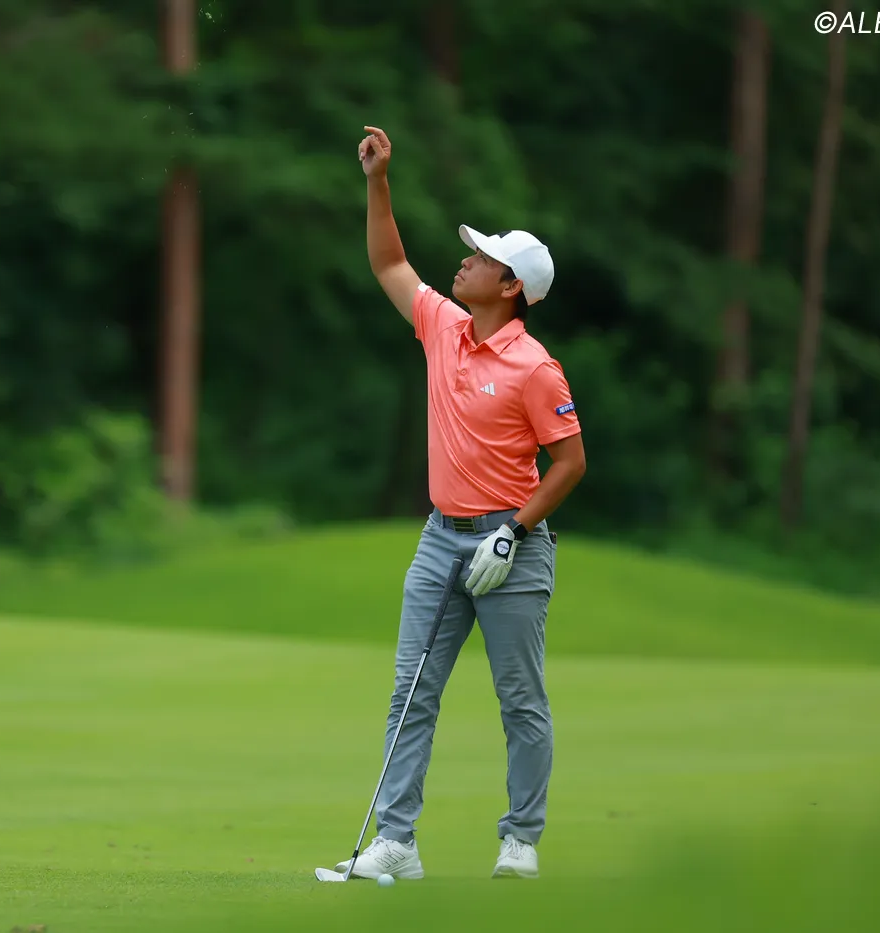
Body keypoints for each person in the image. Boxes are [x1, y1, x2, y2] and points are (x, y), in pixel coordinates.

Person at [336, 126, 586, 881]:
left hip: (513, 547)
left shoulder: (536, 368)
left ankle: (520, 839)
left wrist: (515, 532)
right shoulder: (444, 326)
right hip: (440, 539)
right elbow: (389, 263)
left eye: (482, 259)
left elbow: (571, 463)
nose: (466, 261)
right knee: (411, 693)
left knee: (520, 700)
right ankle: (397, 842)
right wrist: (379, 181)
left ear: (511, 288)